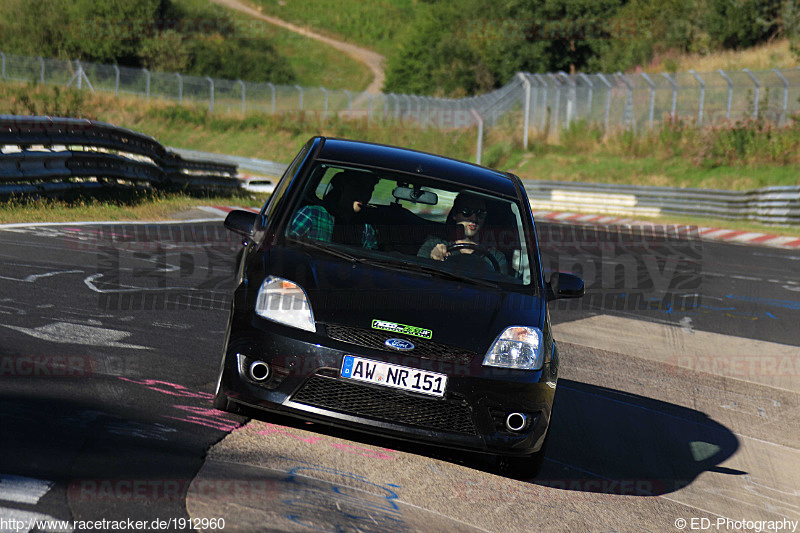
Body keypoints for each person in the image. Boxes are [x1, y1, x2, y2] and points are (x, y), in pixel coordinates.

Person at [417, 193, 508, 273]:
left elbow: (501, 290)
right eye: (466, 212)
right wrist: (432, 261)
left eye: (480, 213)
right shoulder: (433, 244)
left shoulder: (496, 257)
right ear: (454, 215)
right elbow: (418, 277)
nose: (474, 218)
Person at [288, 170, 379, 249]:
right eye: (359, 188)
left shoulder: (366, 230)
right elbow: (287, 247)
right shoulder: (312, 215)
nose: (365, 195)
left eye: (369, 190)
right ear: (343, 187)